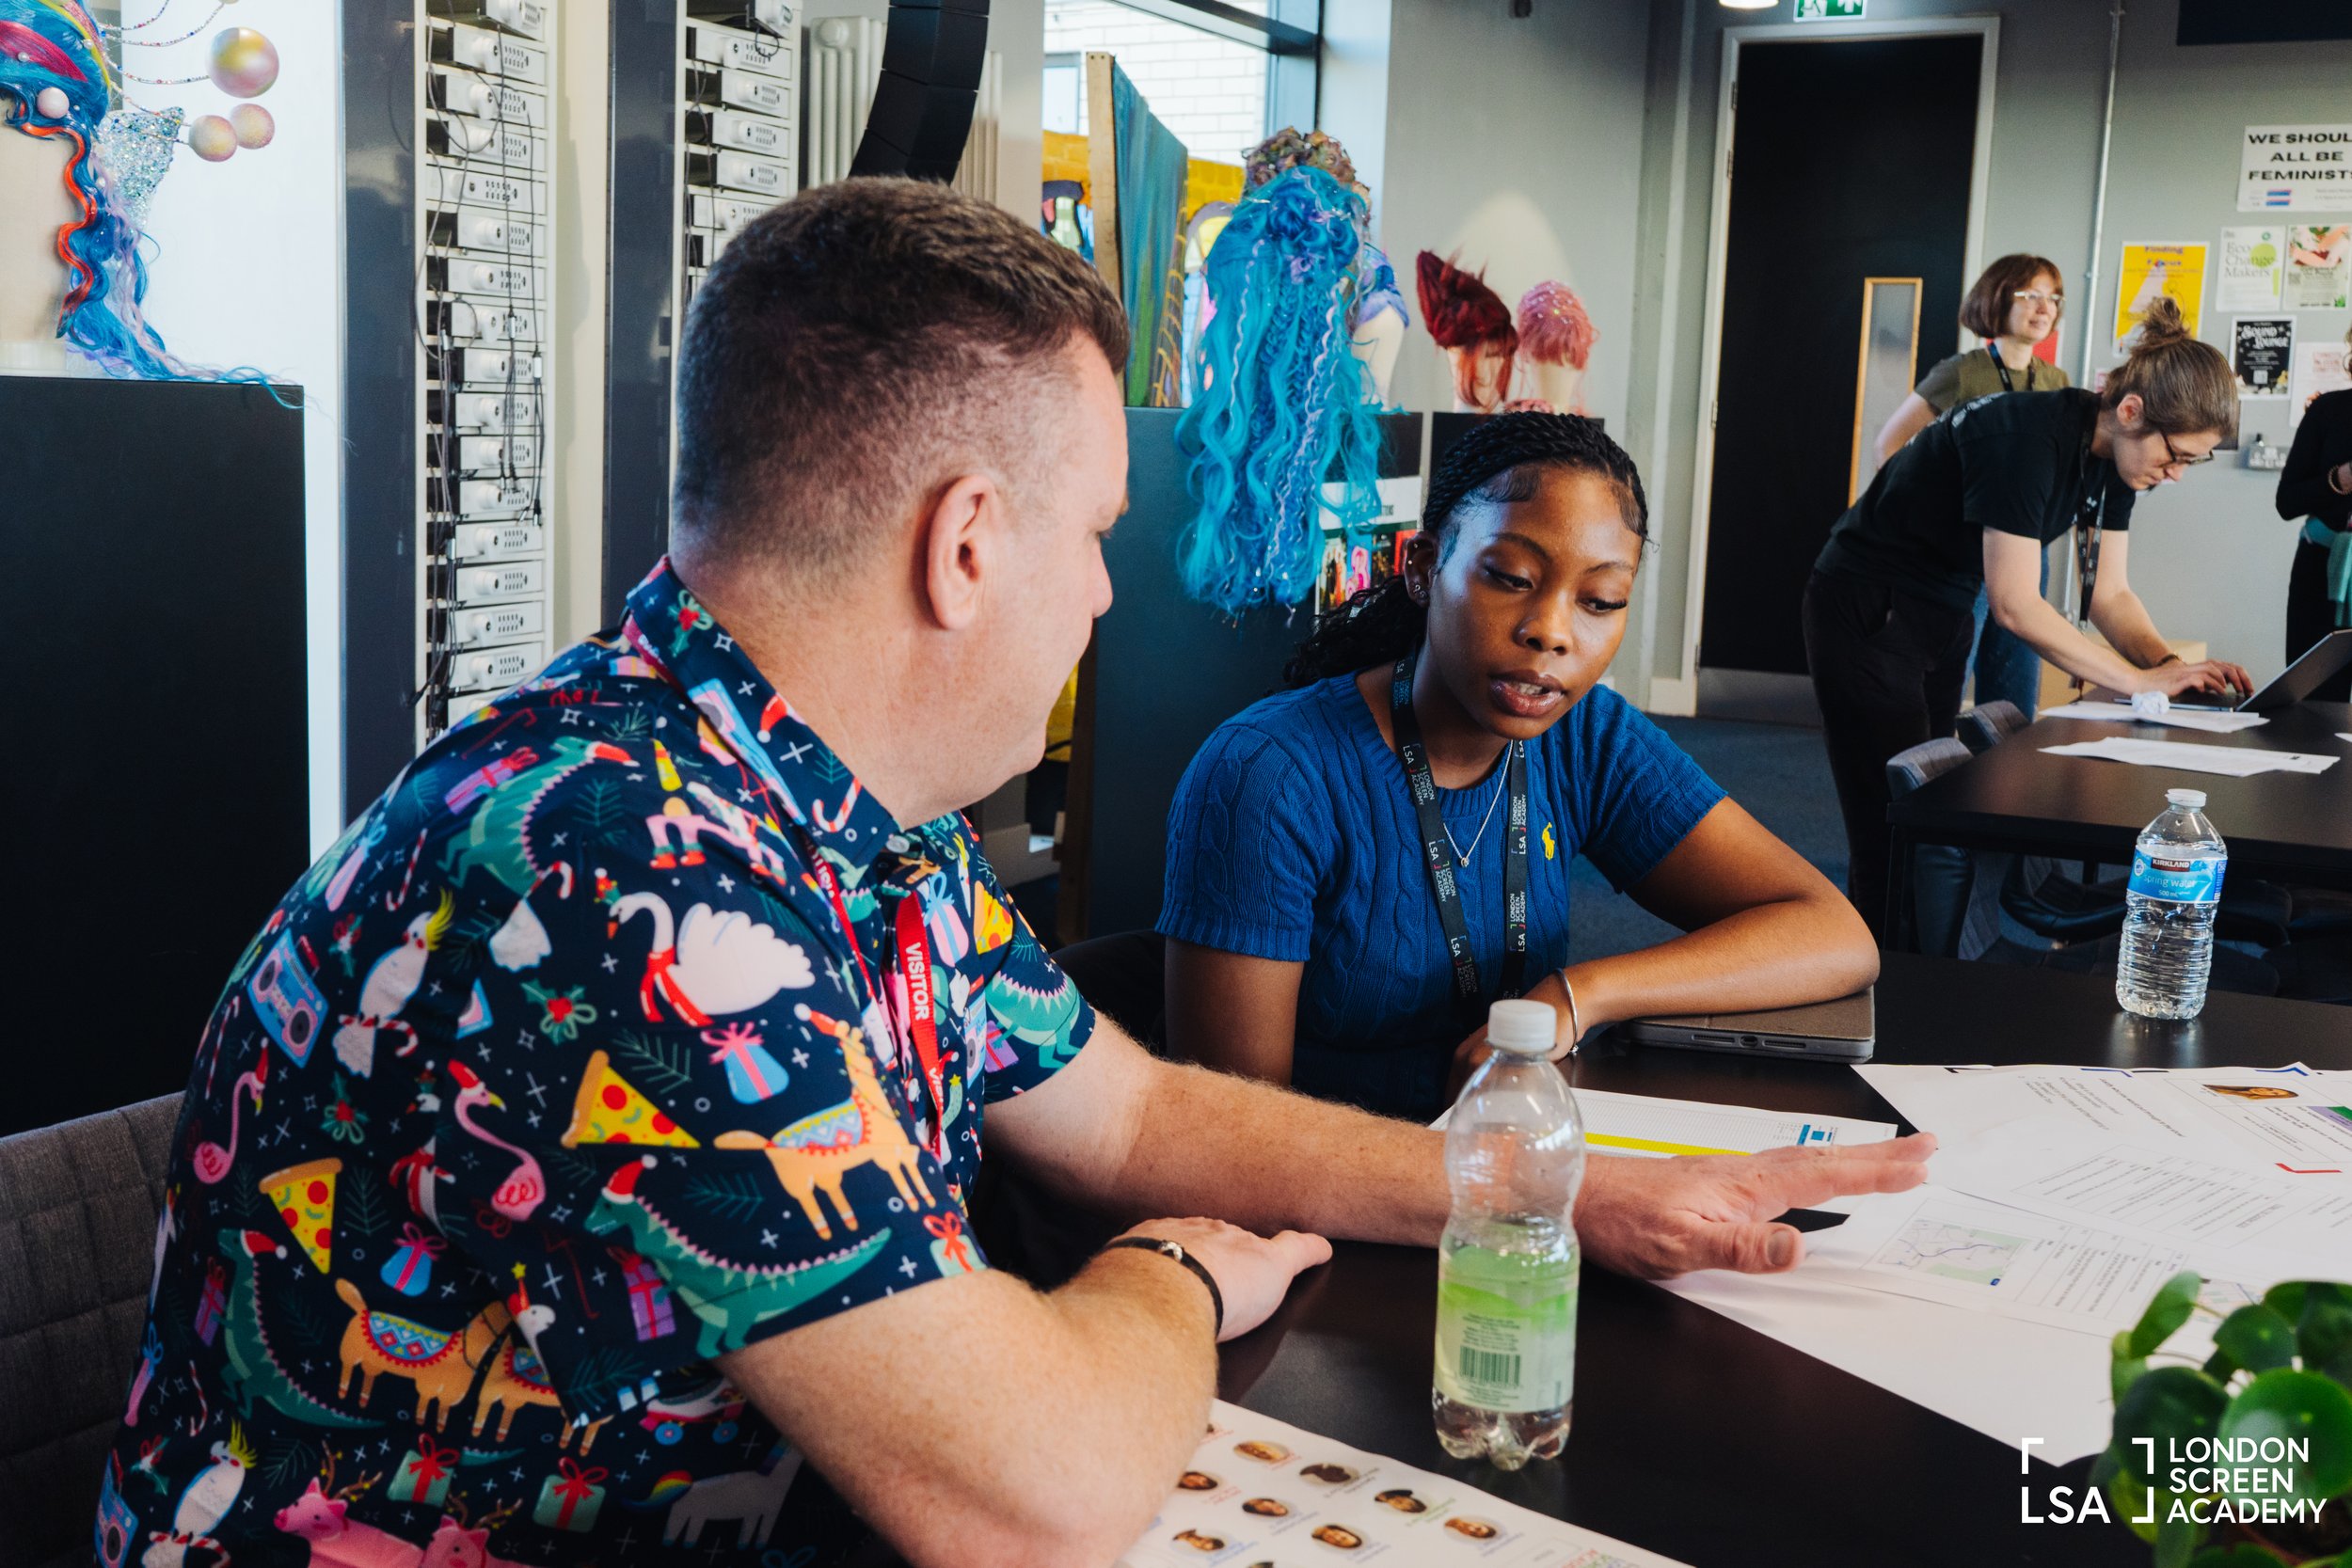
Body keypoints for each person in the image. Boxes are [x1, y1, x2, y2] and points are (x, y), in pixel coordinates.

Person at [104, 181, 1933, 1568]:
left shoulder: (832, 806)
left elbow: (1129, 1109)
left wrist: (1556, 1192)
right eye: (1089, 536)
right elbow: (1030, 1485)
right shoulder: (624, 867)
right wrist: (1159, 1278)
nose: (1104, 598)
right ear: (967, 542)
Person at [1158, 414, 1878, 1122]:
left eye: (1600, 600)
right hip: (1334, 1206)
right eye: (1510, 577)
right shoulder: (1269, 775)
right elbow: (1236, 1140)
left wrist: (1578, 994)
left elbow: (1834, 935)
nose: (1552, 632)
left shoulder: (1582, 734)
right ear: (1423, 566)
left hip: (1512, 1165)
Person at [1804, 297, 2250, 939]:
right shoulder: (2026, 439)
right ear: (2130, 411)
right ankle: (1877, 993)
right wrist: (2138, 683)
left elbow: (2110, 596)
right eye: (2177, 454)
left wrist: (2171, 668)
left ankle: (1924, 973)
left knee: (1932, 814)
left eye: (2191, 461)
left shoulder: (2119, 465)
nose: (2176, 474)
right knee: (1891, 820)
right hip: (1866, 605)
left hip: (1942, 607)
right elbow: (2016, 604)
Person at [1874, 254, 2074, 721]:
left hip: (2027, 544)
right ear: (1998, 300)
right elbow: (1890, 445)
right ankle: (1931, 775)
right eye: (2030, 296)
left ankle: (2003, 784)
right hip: (1963, 548)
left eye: (2053, 298)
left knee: (2015, 682)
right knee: (1947, 675)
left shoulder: (2056, 382)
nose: (2044, 308)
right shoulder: (1962, 372)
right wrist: (1922, 520)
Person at [2275, 325, 2352, 704]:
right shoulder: (2328, 410)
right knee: (2314, 705)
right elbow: (2286, 502)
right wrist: (2340, 479)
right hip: (2319, 570)